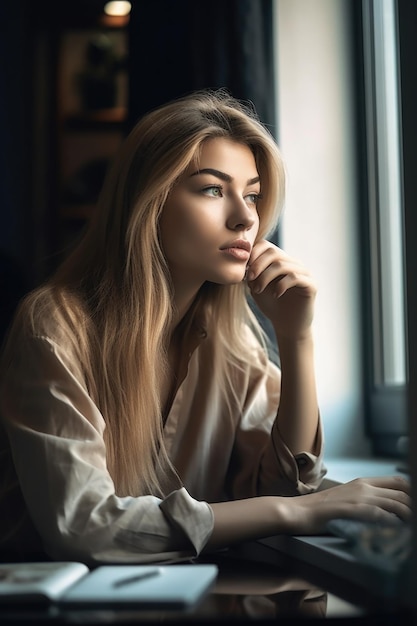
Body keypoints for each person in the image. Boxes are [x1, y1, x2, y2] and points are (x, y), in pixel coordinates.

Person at [0, 90, 410, 565]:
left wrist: (297, 338)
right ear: (149, 203)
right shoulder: (55, 326)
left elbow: (286, 482)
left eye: (252, 195)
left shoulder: (232, 342)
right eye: (214, 189)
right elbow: (86, 527)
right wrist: (295, 513)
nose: (245, 218)